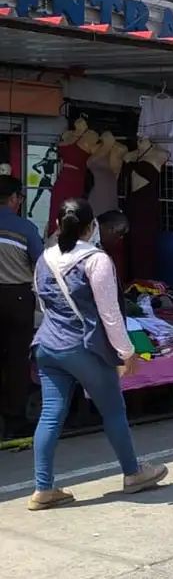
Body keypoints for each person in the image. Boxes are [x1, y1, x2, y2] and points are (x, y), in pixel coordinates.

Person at [30, 198, 167, 510]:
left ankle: (43, 488)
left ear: (56, 226)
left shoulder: (44, 258)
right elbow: (110, 315)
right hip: (84, 348)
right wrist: (127, 352)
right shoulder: (96, 260)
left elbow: (43, 306)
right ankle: (133, 473)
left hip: (47, 345)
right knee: (113, 411)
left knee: (51, 414)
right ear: (91, 227)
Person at [0, 175, 45, 440]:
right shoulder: (24, 228)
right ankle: (14, 418)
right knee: (17, 359)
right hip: (17, 298)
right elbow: (40, 263)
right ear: (15, 198)